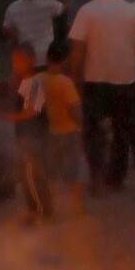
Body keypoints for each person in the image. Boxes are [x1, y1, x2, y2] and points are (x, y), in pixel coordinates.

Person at [66, 0, 135, 192]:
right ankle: (116, 178)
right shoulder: (131, 11)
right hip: (127, 78)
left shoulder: (87, 11)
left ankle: (97, 177)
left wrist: (75, 79)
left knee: (93, 131)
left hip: (95, 79)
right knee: (122, 130)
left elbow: (78, 50)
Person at [7, 45, 54, 222]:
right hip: (26, 136)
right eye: (14, 61)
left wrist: (13, 117)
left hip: (35, 137)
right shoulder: (23, 82)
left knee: (32, 174)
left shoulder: (34, 83)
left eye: (20, 60)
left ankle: (41, 210)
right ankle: (36, 209)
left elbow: (34, 110)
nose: (16, 64)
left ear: (32, 60)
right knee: (28, 174)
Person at [40, 42, 87, 215]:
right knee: (76, 169)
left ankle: (52, 206)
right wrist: (82, 124)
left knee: (52, 170)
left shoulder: (40, 80)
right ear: (65, 60)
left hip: (52, 131)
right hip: (69, 130)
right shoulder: (65, 82)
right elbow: (75, 109)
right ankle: (77, 207)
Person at [2, 0, 65, 68]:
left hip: (27, 59)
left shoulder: (13, 8)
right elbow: (64, 9)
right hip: (47, 56)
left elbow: (7, 30)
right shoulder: (49, 3)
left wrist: (17, 41)